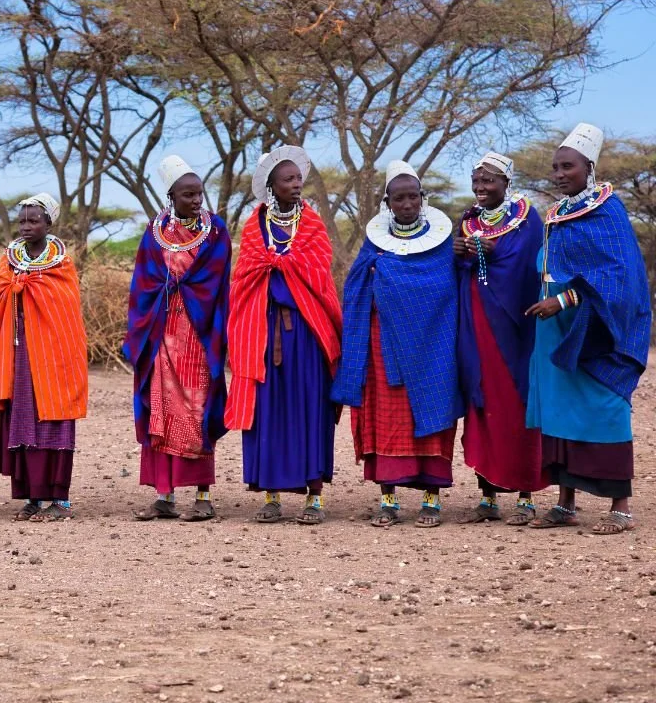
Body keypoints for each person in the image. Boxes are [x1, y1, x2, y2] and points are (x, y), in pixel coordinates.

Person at [525, 123, 651, 535]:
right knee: (558, 408)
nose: (559, 173)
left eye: (568, 166)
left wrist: (562, 300)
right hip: (553, 328)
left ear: (589, 166)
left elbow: (619, 275)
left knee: (604, 406)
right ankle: (565, 503)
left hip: (594, 326)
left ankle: (620, 507)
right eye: (556, 167)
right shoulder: (558, 213)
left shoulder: (607, 210)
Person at [332, 161, 463, 528]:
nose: (407, 204)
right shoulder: (374, 244)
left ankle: (431, 501)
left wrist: (391, 278)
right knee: (385, 418)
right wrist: (381, 276)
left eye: (413, 197)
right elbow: (357, 285)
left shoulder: (442, 245)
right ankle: (388, 499)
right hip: (382, 345)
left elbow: (445, 288)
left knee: (432, 416)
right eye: (399, 199)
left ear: (424, 199)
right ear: (387, 203)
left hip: (433, 347)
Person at [227, 148, 343, 525]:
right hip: (262, 332)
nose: (296, 185)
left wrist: (284, 266)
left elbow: (319, 271)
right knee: (268, 413)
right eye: (287, 179)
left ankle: (315, 497)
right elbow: (244, 276)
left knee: (311, 408)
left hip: (306, 334)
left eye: (298, 178)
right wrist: (273, 269)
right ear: (270, 186)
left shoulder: (312, 225)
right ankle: (272, 494)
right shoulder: (252, 227)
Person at [124, 155, 231, 523]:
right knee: (162, 410)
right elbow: (142, 282)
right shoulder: (154, 232)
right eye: (188, 194)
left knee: (197, 408)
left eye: (199, 193)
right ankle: (164, 495)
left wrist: (184, 289)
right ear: (171, 195)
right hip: (160, 332)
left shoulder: (215, 232)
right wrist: (162, 295)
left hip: (199, 334)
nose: (196, 200)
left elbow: (216, 282)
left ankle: (203, 495)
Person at [452, 152, 546, 525]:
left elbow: (529, 265)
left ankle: (526, 495)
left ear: (507, 182)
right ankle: (488, 495)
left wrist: (492, 254)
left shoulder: (527, 219)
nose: (481, 188)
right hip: (476, 323)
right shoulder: (469, 219)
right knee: (482, 403)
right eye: (476, 181)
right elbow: (459, 266)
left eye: (489, 180)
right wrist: (460, 253)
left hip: (516, 328)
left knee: (519, 406)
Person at [0, 192, 88, 522]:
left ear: (49, 223)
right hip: (18, 353)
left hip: (54, 355)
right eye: (22, 221)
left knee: (53, 418)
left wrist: (30, 288)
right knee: (22, 417)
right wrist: (16, 287)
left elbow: (66, 308)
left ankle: (59, 499)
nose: (26, 226)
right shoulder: (9, 261)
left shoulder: (61, 263)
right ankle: (31, 497)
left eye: (34, 220)